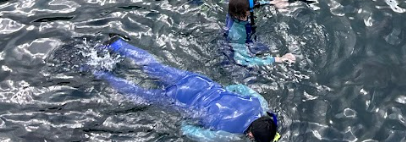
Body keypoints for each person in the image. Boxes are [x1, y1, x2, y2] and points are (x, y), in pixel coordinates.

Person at [92, 37, 280, 141]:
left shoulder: (259, 104)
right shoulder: (229, 136)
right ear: (250, 135)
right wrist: (185, 125)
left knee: (154, 66)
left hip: (198, 82)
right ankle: (98, 72)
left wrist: (225, 90)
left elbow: (240, 88)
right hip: (181, 101)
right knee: (140, 94)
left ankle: (118, 44)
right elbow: (190, 131)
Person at [224, 0, 296, 69]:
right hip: (239, 50)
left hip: (247, 35)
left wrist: (271, 3)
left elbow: (253, 5)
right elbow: (243, 60)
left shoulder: (235, 10)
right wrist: (277, 60)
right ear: (244, 12)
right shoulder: (237, 34)